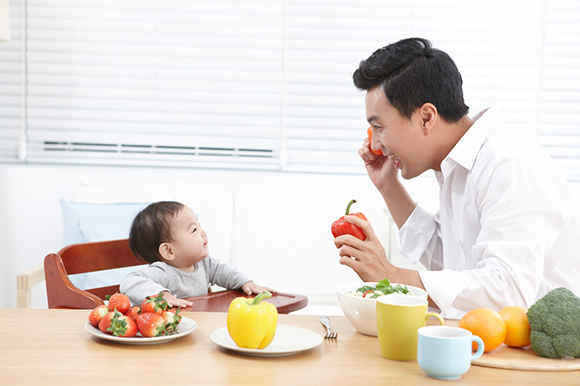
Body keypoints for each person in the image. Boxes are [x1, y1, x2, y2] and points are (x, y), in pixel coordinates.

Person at [334, 37, 580, 319]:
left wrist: (390, 275)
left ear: (426, 117)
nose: (375, 144)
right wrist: (388, 185)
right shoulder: (456, 164)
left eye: (379, 127)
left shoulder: (507, 162)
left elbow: (507, 290)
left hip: (540, 356)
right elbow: (452, 263)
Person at [120, 201, 273, 307]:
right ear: (169, 251)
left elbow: (226, 273)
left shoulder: (205, 264)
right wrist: (160, 295)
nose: (203, 233)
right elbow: (130, 282)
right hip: (169, 331)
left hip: (197, 326)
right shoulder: (163, 272)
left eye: (199, 226)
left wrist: (246, 283)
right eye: (194, 230)